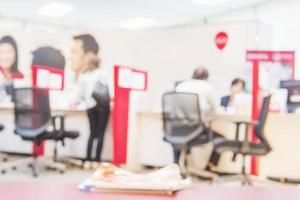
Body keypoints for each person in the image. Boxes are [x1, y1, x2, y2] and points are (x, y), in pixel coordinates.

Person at [69, 34, 110, 162]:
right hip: (102, 107)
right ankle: (97, 160)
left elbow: (78, 95)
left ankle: (88, 160)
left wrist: (74, 103)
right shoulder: (101, 73)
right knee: (100, 134)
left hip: (90, 107)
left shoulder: (83, 76)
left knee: (92, 133)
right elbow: (108, 91)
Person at [175, 66, 223, 170]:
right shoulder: (206, 86)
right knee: (220, 138)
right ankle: (209, 167)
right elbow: (215, 108)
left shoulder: (180, 86)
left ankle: (176, 166)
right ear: (206, 78)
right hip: (196, 129)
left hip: (176, 129)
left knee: (181, 137)